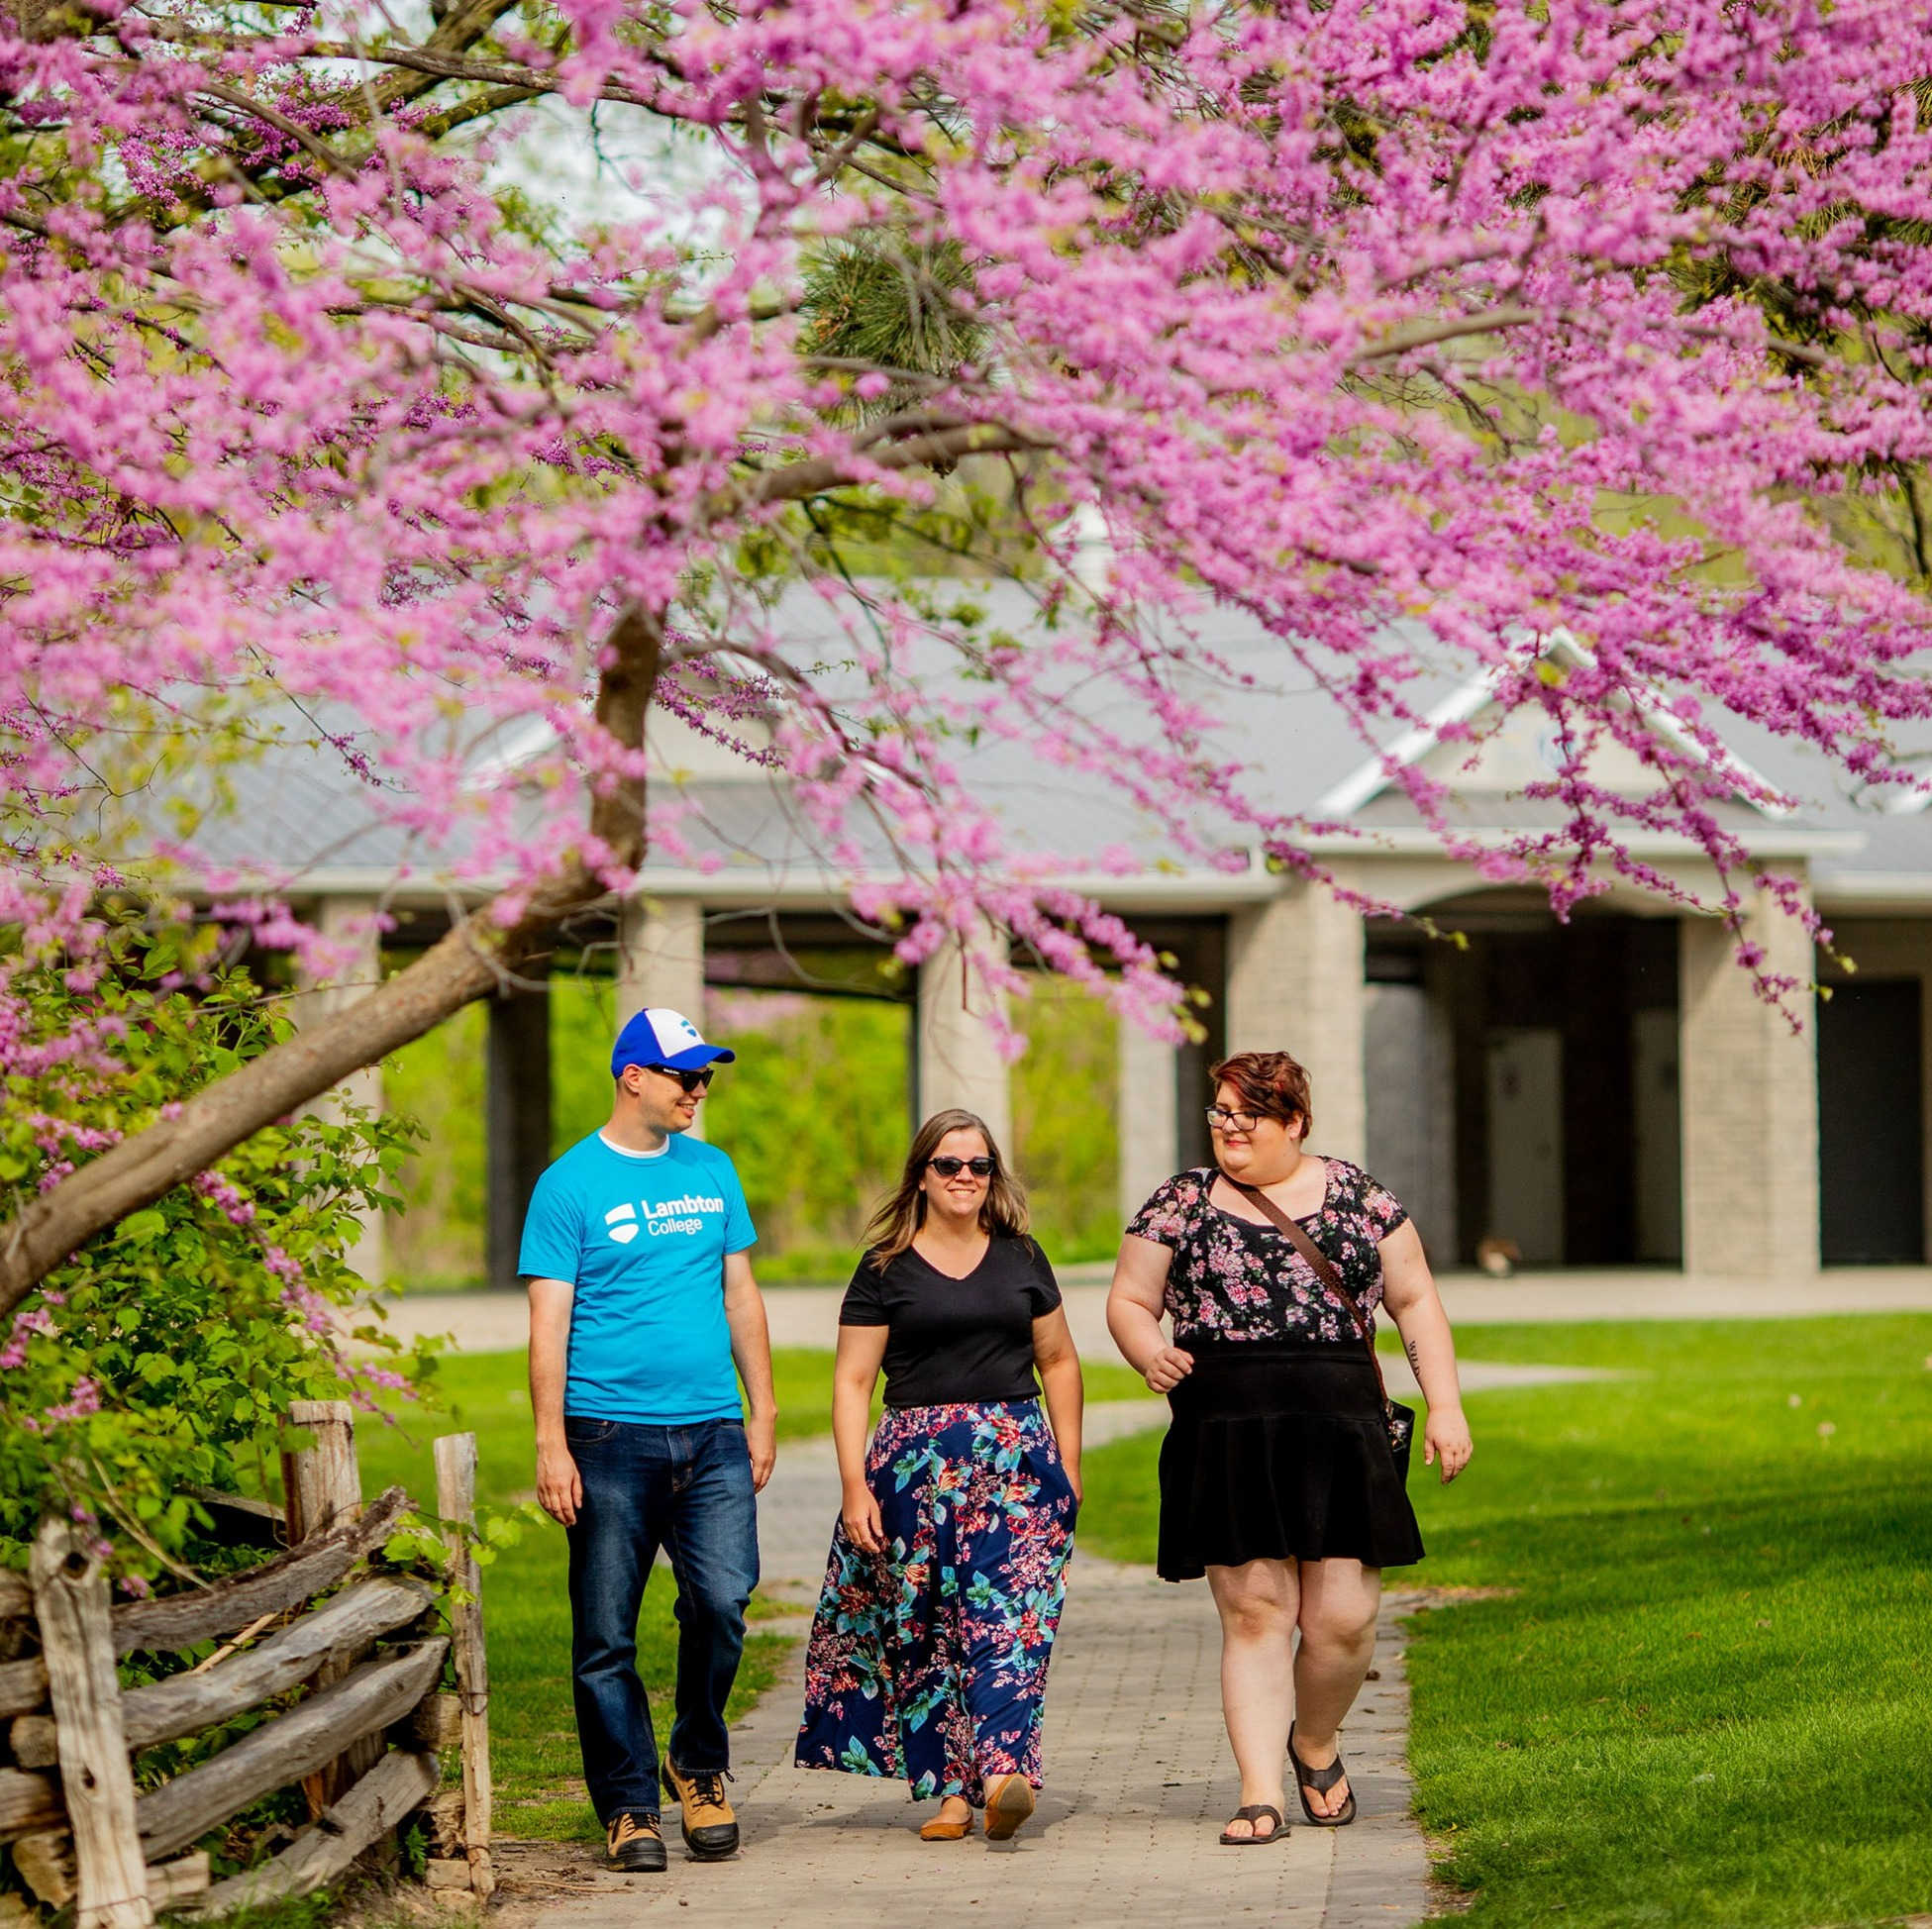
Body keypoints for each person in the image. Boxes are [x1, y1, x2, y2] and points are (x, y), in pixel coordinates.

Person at [1107, 1050, 1473, 1848]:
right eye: (1220, 1114)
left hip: (1340, 1428)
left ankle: (1312, 1741)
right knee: (1256, 1616)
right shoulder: (1179, 1202)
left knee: (1344, 1620)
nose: (1229, 1129)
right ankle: (1259, 1793)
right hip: (1229, 1433)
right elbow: (1130, 1299)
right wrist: (1146, 1351)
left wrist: (1444, 1405)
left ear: (1294, 1123)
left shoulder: (1358, 1197)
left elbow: (1414, 1301)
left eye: (1247, 1116)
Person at [521, 1006, 777, 1874]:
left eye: (705, 1077)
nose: (699, 1091)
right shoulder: (569, 1184)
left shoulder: (714, 1171)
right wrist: (551, 1444)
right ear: (634, 1076)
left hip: (711, 1432)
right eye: (685, 1077)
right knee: (605, 1638)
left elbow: (740, 1296)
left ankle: (696, 1765)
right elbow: (547, 1324)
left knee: (723, 1603)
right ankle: (629, 1807)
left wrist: (763, 1410)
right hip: (605, 1437)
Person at [794, 1109, 1082, 1845]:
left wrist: (1067, 1467)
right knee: (924, 1632)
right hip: (910, 1472)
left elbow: (1058, 1362)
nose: (963, 1178)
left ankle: (1004, 1772)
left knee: (1010, 1623)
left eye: (978, 1165)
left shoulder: (1021, 1256)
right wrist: (854, 1487)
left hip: (1015, 1467)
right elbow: (852, 1380)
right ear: (920, 1175)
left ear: (993, 1176)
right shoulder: (884, 1266)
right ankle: (952, 1793)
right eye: (948, 1165)